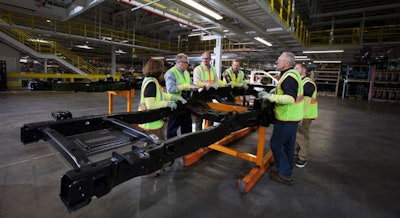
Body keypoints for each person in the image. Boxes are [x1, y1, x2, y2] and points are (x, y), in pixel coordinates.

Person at [258, 52, 304, 185]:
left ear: (287, 63)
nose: (277, 62)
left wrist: (269, 97)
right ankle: (287, 171)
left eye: (279, 60)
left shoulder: (289, 77)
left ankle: (284, 174)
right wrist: (275, 92)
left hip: (286, 118)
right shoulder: (292, 75)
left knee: (276, 144)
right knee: (288, 146)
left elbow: (290, 98)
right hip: (292, 118)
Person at [138, 59, 186, 176]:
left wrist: (172, 98)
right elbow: (151, 105)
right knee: (152, 147)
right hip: (151, 122)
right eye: (162, 68)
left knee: (152, 145)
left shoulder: (152, 80)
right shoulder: (151, 83)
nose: (163, 71)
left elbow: (161, 94)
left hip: (154, 121)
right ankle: (149, 171)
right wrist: (167, 104)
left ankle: (152, 165)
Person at [164, 53, 195, 138]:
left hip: (186, 102)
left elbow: (190, 84)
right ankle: (171, 147)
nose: (187, 64)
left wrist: (195, 87)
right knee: (173, 128)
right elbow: (171, 89)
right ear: (178, 62)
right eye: (185, 62)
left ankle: (186, 144)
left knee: (187, 126)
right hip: (175, 103)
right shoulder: (171, 73)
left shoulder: (186, 73)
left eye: (187, 62)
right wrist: (184, 86)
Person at [192, 51, 225, 131]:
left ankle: (209, 135)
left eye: (207, 58)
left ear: (210, 59)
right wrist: (207, 84)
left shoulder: (213, 69)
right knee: (199, 118)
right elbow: (196, 82)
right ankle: (198, 137)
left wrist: (225, 84)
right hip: (200, 97)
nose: (205, 60)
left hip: (209, 96)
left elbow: (216, 80)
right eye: (203, 58)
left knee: (210, 116)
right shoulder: (198, 69)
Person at [294, 63, 318, 168]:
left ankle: (302, 158)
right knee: (298, 135)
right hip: (302, 114)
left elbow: (306, 100)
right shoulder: (302, 82)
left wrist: (300, 116)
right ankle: (297, 153)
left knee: (302, 136)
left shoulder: (308, 83)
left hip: (305, 114)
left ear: (304, 70)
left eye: (297, 68)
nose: (295, 70)